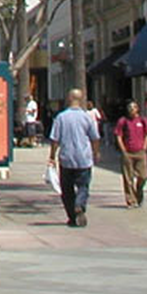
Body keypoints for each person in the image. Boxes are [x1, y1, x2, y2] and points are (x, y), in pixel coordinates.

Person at [48, 89, 100, 227]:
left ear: (69, 98)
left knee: (67, 189)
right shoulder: (87, 117)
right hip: (84, 158)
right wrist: (96, 153)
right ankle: (79, 205)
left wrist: (52, 156)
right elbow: (95, 137)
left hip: (66, 159)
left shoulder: (61, 117)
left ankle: (72, 216)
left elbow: (55, 139)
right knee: (83, 186)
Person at [114, 100, 147, 207]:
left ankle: (139, 192)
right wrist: (123, 150)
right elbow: (118, 136)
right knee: (128, 177)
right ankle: (131, 199)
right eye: (130, 107)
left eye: (134, 107)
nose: (132, 109)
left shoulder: (143, 120)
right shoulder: (123, 121)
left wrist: (144, 147)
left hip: (140, 152)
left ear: (138, 108)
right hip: (128, 153)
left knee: (143, 175)